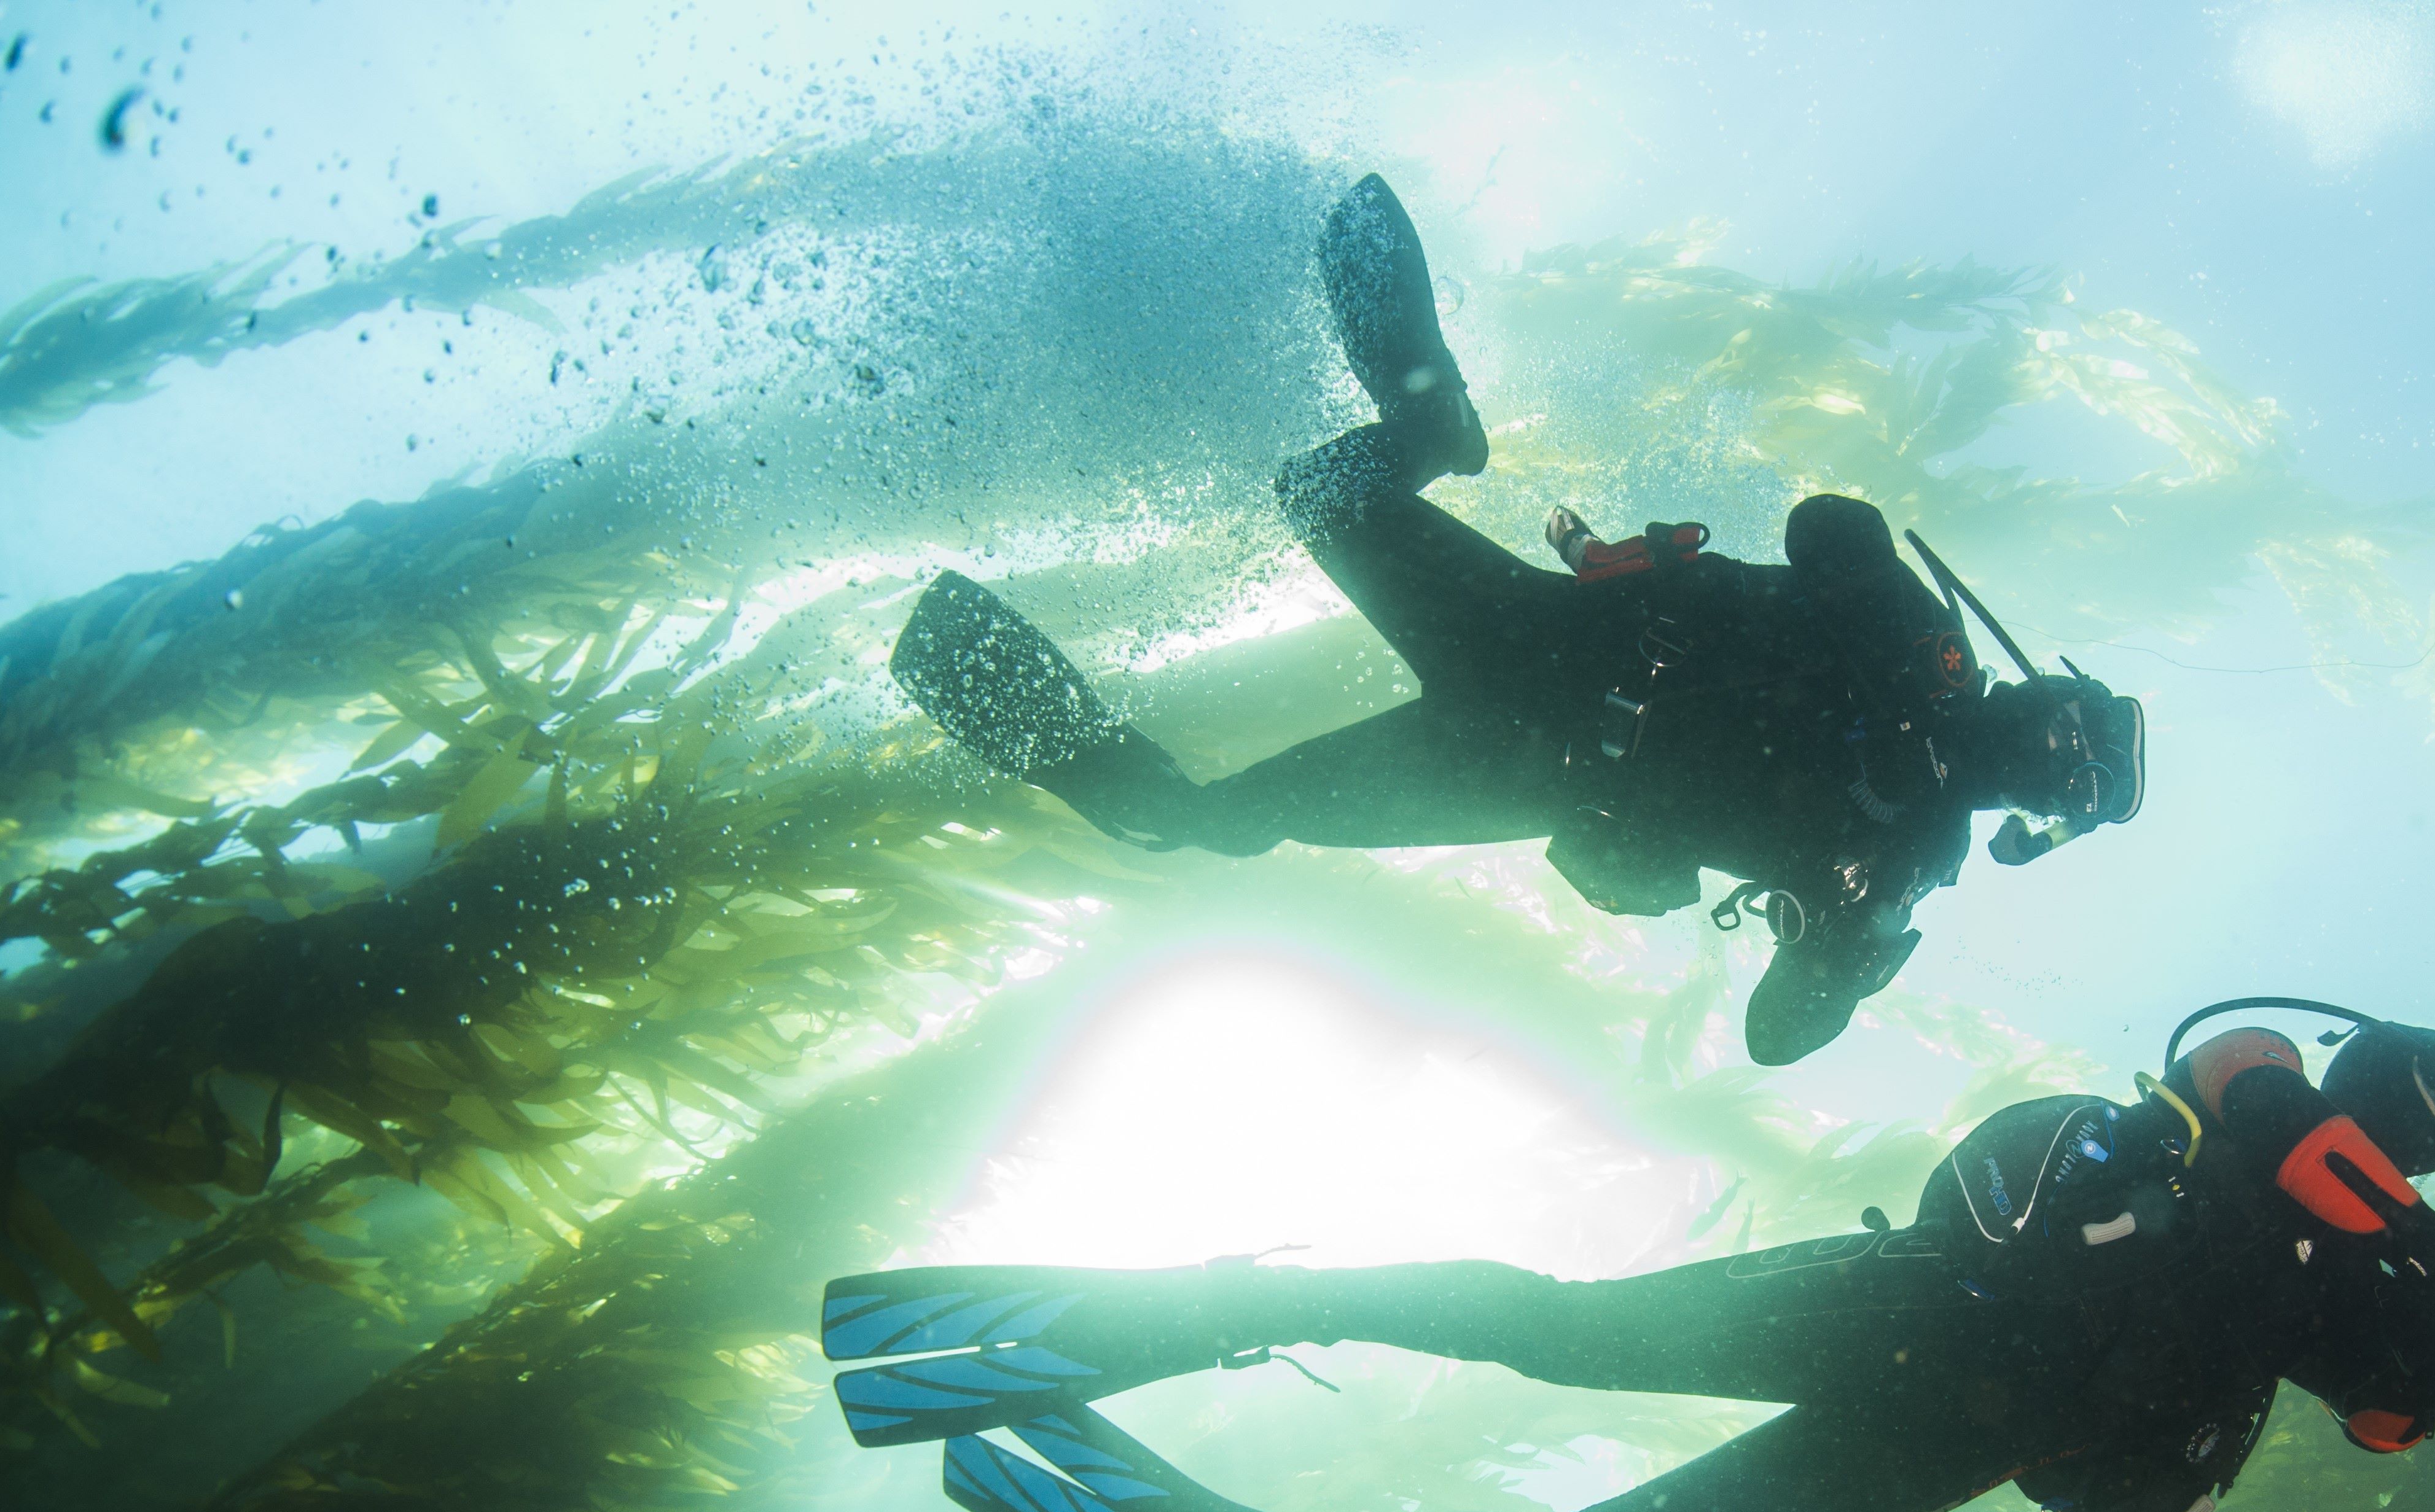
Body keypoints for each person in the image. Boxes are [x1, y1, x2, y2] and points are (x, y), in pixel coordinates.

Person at [888, 174, 2146, 1066]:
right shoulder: (1925, 673)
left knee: (1205, 815)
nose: (2049, 733)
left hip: (1522, 756)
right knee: (1312, 512)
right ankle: (1431, 422)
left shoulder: (1904, 859)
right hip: (1552, 661)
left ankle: (966, 660)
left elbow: (1775, 1037)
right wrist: (1879, 627)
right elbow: (1832, 524)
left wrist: (1857, 962)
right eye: (2074, 723)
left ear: (2044, 799)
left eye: (2071, 751)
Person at [816, 999, 2435, 1512]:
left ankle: (1284, 1488)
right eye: (2426, 1135)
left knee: (1592, 1463)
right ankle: (1222, 1335)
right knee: (1567, 1372)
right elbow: (2253, 1092)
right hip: (1939, 1349)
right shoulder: (2276, 1145)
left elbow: (2407, 1403)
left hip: (1949, 1389)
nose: (2414, 1168)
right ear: (2392, 1106)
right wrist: (2398, 1232)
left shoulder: (2341, 1259)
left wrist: (2390, 1258)